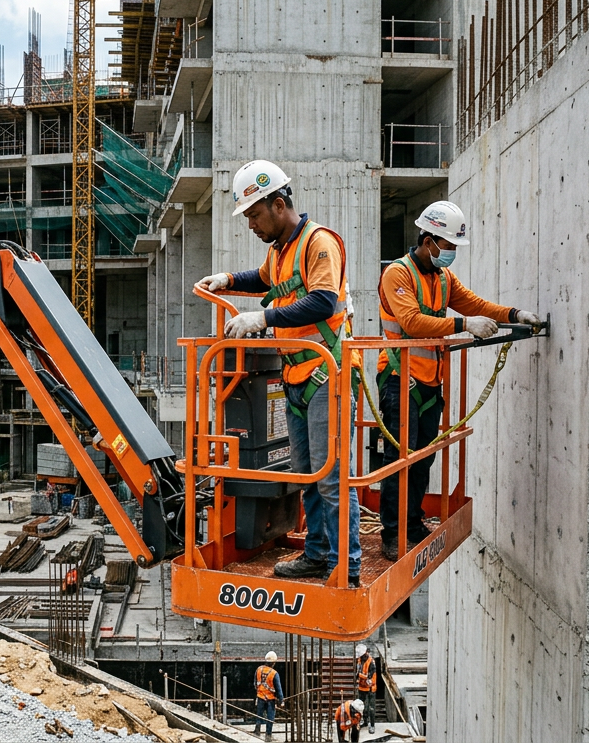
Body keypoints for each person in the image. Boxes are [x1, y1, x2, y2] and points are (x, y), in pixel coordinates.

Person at [197, 159, 361, 586]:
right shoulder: (281, 251)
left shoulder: (318, 243)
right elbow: (264, 279)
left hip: (329, 373)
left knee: (330, 479)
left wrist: (263, 318)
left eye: (253, 214)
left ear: (279, 203)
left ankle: (347, 568)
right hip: (299, 375)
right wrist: (229, 279)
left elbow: (324, 301)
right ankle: (318, 555)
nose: (250, 224)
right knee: (306, 475)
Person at [374, 201, 540, 561]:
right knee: (400, 459)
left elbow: (474, 304)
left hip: (430, 383)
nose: (450, 254)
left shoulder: (443, 278)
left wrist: (514, 315)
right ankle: (392, 532)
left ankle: (412, 524)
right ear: (429, 240)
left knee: (423, 459)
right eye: (447, 247)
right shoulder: (397, 275)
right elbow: (413, 322)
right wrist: (464, 326)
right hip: (400, 381)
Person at [253, 650, 283, 741]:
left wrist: (259, 692)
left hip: (260, 697)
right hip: (270, 699)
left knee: (259, 715)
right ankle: (268, 735)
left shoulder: (259, 669)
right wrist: (281, 701)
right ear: (273, 663)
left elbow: (255, 684)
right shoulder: (274, 674)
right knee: (270, 717)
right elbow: (279, 689)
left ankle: (257, 731)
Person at [355, 644, 377, 734]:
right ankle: (365, 722)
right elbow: (357, 672)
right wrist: (357, 678)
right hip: (361, 687)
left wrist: (360, 675)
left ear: (366, 653)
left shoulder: (371, 662)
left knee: (371, 708)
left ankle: (372, 725)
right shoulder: (359, 661)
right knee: (361, 706)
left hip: (371, 688)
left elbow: (369, 676)